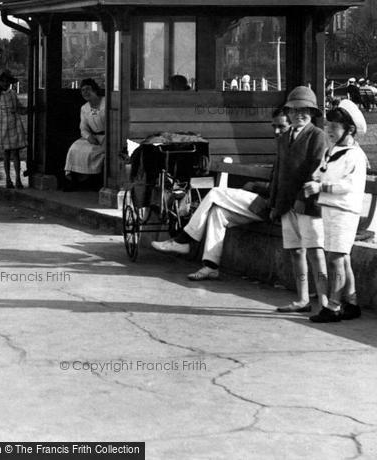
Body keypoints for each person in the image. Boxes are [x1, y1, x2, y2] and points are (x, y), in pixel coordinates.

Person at [151, 108, 291, 279]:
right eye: (274, 127)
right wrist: (256, 186)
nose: (276, 131)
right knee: (218, 214)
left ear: (293, 125)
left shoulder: (292, 149)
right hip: (266, 203)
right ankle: (211, 266)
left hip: (272, 207)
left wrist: (258, 188)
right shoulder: (284, 147)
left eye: (281, 127)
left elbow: (285, 186)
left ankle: (183, 240)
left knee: (216, 193)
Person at [304, 100, 368, 323]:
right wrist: (315, 178)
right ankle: (351, 302)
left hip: (345, 212)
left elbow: (348, 186)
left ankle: (333, 306)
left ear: (349, 130)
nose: (329, 130)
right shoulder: (333, 151)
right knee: (343, 258)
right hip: (330, 210)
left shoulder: (355, 156)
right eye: (328, 125)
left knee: (335, 259)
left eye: (335, 126)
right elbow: (321, 171)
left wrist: (320, 187)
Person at [269, 86, 328, 314]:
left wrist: (302, 200)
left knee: (315, 252)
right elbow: (279, 171)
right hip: (286, 205)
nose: (299, 114)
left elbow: (317, 171)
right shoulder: (284, 137)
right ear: (288, 112)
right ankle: (302, 299)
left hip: (308, 206)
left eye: (305, 110)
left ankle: (324, 302)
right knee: (296, 251)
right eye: (294, 110)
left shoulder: (318, 136)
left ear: (312, 113)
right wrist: (275, 204)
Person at [64, 78, 105, 190]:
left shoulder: (106, 103)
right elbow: (83, 128)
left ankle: (91, 180)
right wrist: (89, 137)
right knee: (74, 148)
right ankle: (74, 180)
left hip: (107, 137)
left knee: (91, 152)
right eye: (83, 90)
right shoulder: (85, 108)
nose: (85, 93)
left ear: (95, 90)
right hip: (93, 137)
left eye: (88, 89)